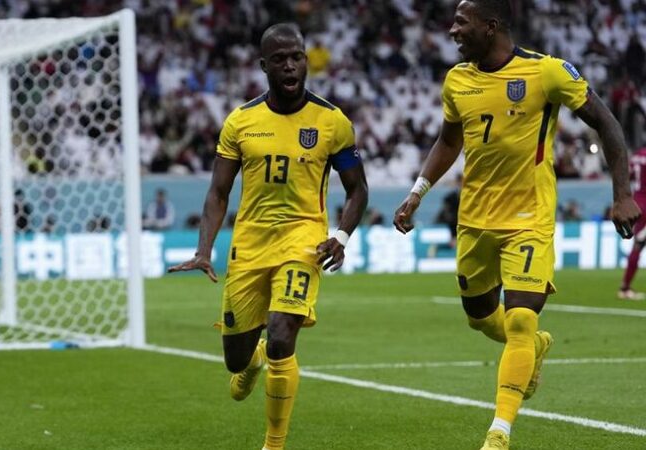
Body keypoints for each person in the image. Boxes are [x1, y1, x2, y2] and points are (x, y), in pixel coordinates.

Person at [392, 2, 641, 449]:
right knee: (483, 321)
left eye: (461, 23)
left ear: (491, 27)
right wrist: (417, 191)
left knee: (521, 318)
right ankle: (536, 348)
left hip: (529, 218)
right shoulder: (457, 80)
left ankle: (499, 433)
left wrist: (621, 194)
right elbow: (449, 139)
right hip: (475, 219)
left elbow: (607, 124)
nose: (453, 31)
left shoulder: (548, 73)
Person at [168, 23, 368, 450]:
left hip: (303, 241)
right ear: (264, 66)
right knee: (236, 359)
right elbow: (218, 191)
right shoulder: (241, 122)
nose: (291, 65)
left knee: (281, 334)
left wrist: (342, 235)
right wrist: (204, 250)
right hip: (250, 247)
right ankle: (251, 359)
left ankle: (273, 444)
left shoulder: (332, 122)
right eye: (280, 59)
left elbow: (358, 189)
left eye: (297, 56)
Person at [619, 146, 646, 300]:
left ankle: (625, 287)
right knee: (638, 244)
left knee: (638, 244)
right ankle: (624, 288)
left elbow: (627, 177)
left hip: (636, 204)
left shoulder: (637, 155)